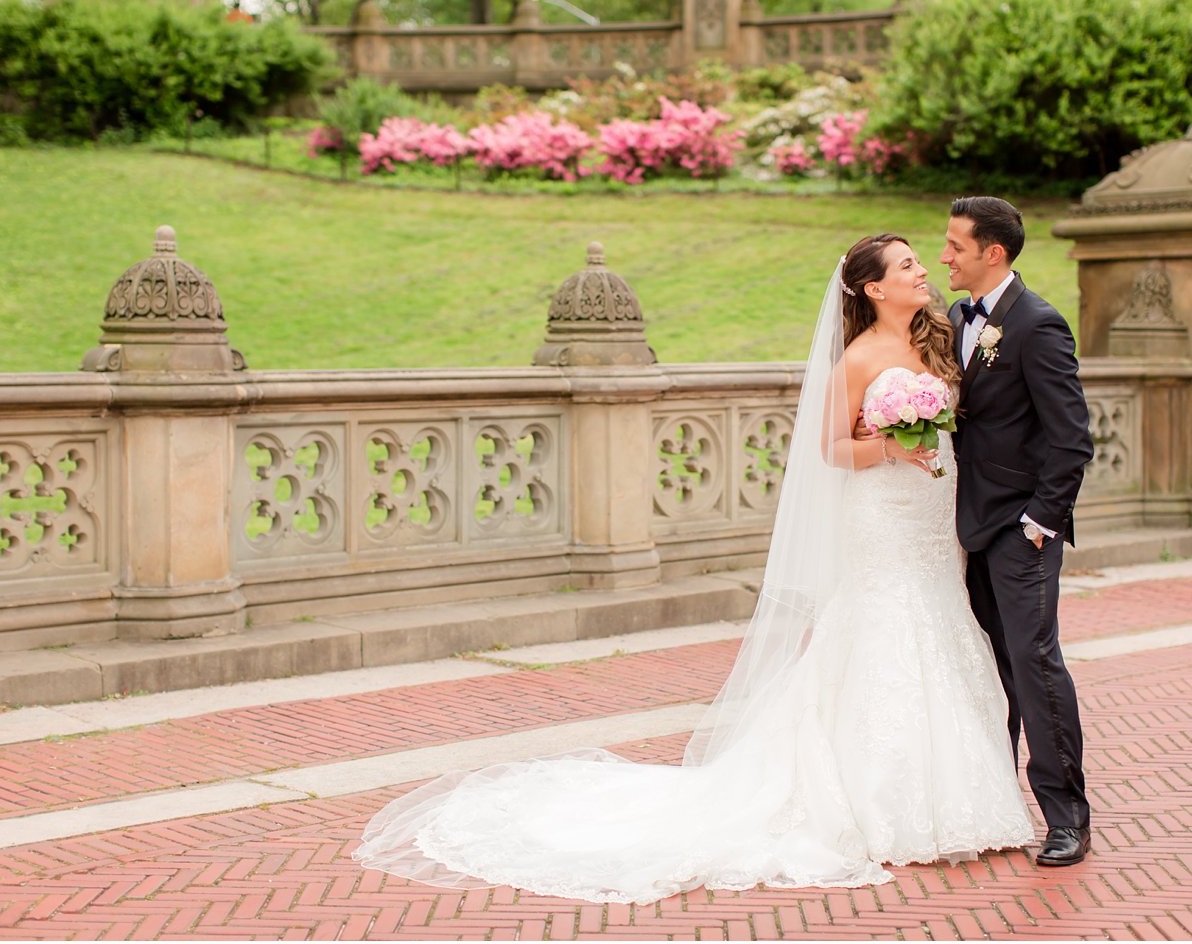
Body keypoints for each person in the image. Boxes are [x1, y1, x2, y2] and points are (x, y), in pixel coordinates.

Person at [353, 234, 1034, 903]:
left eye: (922, 260)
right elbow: (830, 449)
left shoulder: (939, 338)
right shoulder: (856, 358)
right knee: (886, 631)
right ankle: (887, 805)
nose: (924, 271)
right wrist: (887, 446)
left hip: (933, 518)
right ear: (874, 288)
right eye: (909, 265)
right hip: (882, 517)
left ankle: (961, 796)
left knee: (941, 626)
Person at [938, 195, 1094, 866]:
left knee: (1034, 665)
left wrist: (1040, 521)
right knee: (985, 665)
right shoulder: (953, 317)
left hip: (1020, 527)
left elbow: (1072, 438)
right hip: (962, 525)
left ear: (992, 253)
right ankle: (994, 804)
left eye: (955, 245)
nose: (944, 255)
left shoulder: (1038, 324)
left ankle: (1067, 818)